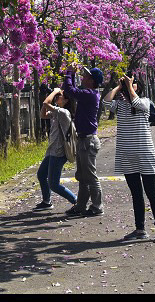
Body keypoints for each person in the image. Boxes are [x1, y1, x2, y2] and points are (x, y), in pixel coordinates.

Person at [105, 73, 155, 244]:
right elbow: (105, 102)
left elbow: (137, 102)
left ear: (139, 87)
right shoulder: (119, 105)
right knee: (136, 194)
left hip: (145, 153)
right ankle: (140, 229)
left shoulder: (145, 102)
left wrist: (130, 85)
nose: (130, 85)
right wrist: (118, 86)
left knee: (151, 192)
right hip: (127, 155)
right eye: (128, 84)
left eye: (134, 83)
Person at [62, 65, 104, 216]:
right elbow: (71, 89)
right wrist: (71, 75)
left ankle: (97, 206)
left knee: (90, 176)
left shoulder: (90, 94)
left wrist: (69, 73)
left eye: (86, 77)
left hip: (88, 141)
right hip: (83, 140)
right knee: (82, 176)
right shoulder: (89, 93)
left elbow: (70, 90)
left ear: (92, 81)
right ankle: (80, 206)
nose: (84, 78)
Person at [35, 87, 78, 210]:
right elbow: (43, 115)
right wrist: (53, 94)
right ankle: (47, 201)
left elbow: (45, 103)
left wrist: (54, 91)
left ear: (66, 101)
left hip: (59, 152)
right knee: (41, 175)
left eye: (60, 95)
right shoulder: (57, 112)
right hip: (52, 150)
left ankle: (76, 201)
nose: (57, 96)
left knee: (54, 184)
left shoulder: (63, 113)